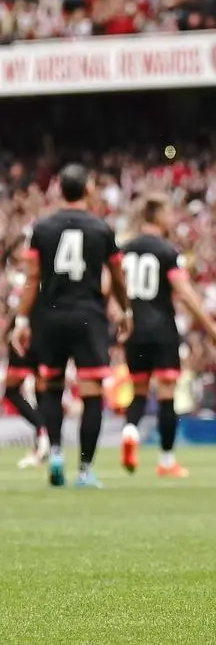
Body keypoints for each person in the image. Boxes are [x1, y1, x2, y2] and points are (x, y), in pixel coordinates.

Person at [9, 163, 132, 489]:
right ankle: (85, 470)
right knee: (91, 392)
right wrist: (125, 309)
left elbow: (32, 278)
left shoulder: (42, 228)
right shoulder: (101, 229)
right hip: (88, 315)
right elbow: (117, 276)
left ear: (59, 189)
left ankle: (56, 454)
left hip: (49, 315)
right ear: (88, 189)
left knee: (50, 385)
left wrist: (22, 319)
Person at [119, 194, 216, 478]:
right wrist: (212, 328)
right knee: (167, 393)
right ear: (156, 215)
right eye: (168, 213)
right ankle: (166, 461)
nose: (172, 218)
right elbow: (185, 294)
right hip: (161, 329)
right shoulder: (166, 251)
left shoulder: (125, 249)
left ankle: (130, 432)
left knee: (139, 391)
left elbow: (111, 288)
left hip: (133, 329)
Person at [5, 303, 48, 469]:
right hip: (42, 326)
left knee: (12, 391)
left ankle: (42, 434)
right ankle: (43, 443)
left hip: (27, 327)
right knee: (41, 392)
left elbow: (29, 293)